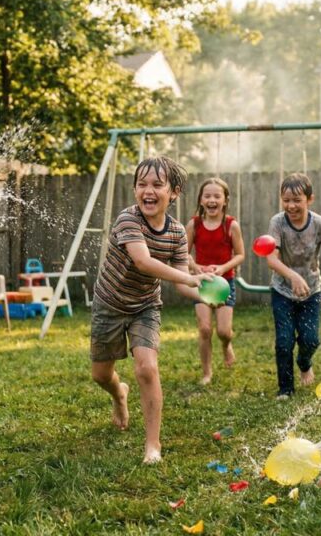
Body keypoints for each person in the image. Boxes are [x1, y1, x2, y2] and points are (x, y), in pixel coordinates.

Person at [90, 157, 214, 464]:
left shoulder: (176, 233)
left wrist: (202, 290)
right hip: (109, 304)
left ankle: (153, 445)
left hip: (145, 306)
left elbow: (182, 283)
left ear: (174, 192)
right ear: (134, 189)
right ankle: (120, 395)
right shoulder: (127, 220)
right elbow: (144, 262)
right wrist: (189, 276)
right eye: (142, 184)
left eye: (157, 185)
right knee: (101, 375)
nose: (149, 190)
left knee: (147, 367)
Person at [265, 173, 321, 399]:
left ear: (310, 199)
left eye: (297, 200)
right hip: (282, 289)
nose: (291, 205)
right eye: (286, 200)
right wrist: (292, 276)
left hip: (311, 290)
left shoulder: (319, 224)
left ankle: (304, 361)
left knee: (310, 339)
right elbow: (271, 259)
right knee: (284, 341)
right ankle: (286, 389)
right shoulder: (277, 222)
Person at [186, 177, 246, 385]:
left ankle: (226, 344)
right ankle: (207, 373)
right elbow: (183, 255)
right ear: (201, 200)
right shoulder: (194, 225)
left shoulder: (231, 225)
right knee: (204, 329)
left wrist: (221, 268)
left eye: (217, 196)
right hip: (202, 283)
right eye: (207, 196)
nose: (212, 200)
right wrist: (196, 268)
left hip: (225, 283)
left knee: (223, 331)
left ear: (225, 200)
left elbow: (240, 255)